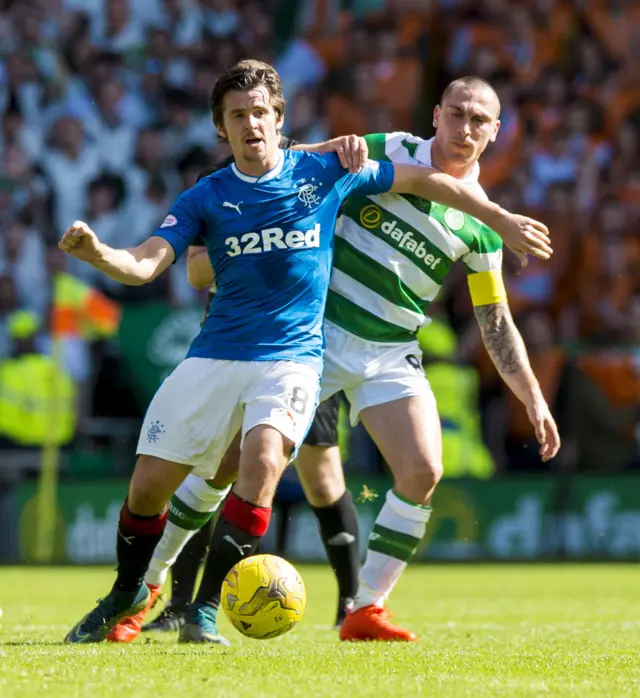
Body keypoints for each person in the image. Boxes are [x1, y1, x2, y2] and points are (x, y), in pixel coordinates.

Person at [60, 60, 551, 644]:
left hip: (390, 350)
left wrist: (533, 398)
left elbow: (495, 322)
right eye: (457, 115)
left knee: (423, 469)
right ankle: (147, 592)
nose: (466, 129)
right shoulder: (392, 146)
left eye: (480, 121)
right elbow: (299, 164)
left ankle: (364, 608)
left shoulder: (486, 230)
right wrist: (238, 227)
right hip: (311, 336)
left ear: (496, 132)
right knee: (227, 468)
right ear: (437, 116)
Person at [105, 136, 360, 644]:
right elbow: (196, 268)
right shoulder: (214, 192)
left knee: (320, 476)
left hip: (302, 351)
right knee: (211, 471)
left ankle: (353, 600)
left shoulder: (308, 180)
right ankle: (182, 603)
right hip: (232, 352)